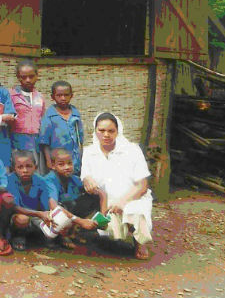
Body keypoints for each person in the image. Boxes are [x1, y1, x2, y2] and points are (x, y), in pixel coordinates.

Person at [81, 113, 153, 260]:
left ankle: (140, 242)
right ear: (95, 131)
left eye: (111, 131)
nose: (106, 135)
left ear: (117, 131)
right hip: (107, 201)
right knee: (111, 231)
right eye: (101, 130)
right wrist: (87, 179)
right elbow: (85, 175)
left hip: (133, 197)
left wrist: (123, 202)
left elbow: (142, 185)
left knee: (135, 212)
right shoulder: (89, 152)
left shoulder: (132, 150)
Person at [44, 148, 101, 249]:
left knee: (92, 196)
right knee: (68, 204)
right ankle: (60, 236)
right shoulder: (49, 180)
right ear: (53, 166)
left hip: (67, 213)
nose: (67, 167)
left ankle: (75, 232)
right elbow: (54, 207)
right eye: (61, 164)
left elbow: (100, 193)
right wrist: (81, 221)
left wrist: (102, 219)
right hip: (47, 216)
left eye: (69, 163)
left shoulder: (74, 179)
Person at [6, 150, 53, 251]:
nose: (25, 170)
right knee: (22, 219)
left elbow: (46, 206)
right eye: (20, 167)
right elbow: (15, 208)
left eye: (29, 166)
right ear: (14, 169)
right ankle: (18, 237)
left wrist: (47, 216)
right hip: (17, 216)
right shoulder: (10, 180)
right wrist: (40, 214)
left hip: (37, 216)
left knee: (54, 219)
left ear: (35, 167)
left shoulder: (41, 181)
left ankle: (40, 236)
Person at [39, 81, 83, 174]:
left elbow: (80, 139)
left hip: (74, 161)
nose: (63, 98)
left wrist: (81, 157)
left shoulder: (75, 114)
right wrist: (49, 162)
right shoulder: (49, 116)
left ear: (71, 96)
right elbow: (44, 142)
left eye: (66, 95)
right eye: (59, 95)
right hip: (57, 162)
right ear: (52, 97)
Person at [9, 60, 45, 172]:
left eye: (31, 76)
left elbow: (42, 117)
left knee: (36, 170)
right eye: (24, 77)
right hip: (18, 139)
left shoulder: (39, 96)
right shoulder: (11, 95)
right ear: (18, 77)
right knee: (21, 169)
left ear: (37, 76)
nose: (28, 80)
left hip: (36, 139)